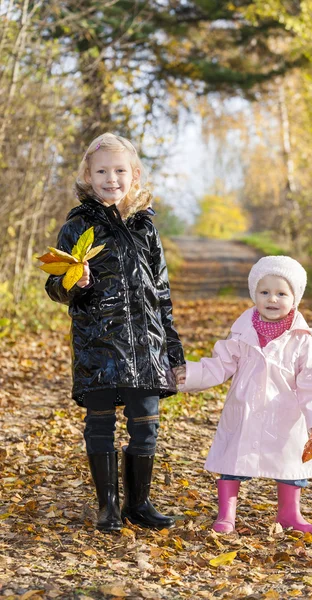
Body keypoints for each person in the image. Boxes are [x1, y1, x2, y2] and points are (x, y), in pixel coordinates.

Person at [45, 133, 185, 533]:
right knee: (100, 423)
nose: (111, 178)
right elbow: (55, 287)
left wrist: (173, 354)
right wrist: (76, 282)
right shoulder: (78, 226)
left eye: (120, 170)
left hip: (146, 347)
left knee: (146, 422)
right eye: (102, 171)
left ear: (134, 175)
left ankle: (138, 504)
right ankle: (108, 506)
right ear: (88, 176)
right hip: (99, 346)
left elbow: (161, 295)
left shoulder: (146, 228)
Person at [176, 256, 312, 533]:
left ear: (295, 298)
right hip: (245, 407)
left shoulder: (301, 339)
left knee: (291, 463)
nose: (272, 299)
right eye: (264, 292)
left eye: (281, 293)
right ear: (255, 294)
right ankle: (226, 515)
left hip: (286, 412)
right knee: (234, 459)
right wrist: (190, 374)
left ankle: (289, 514)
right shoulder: (242, 333)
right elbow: (221, 364)